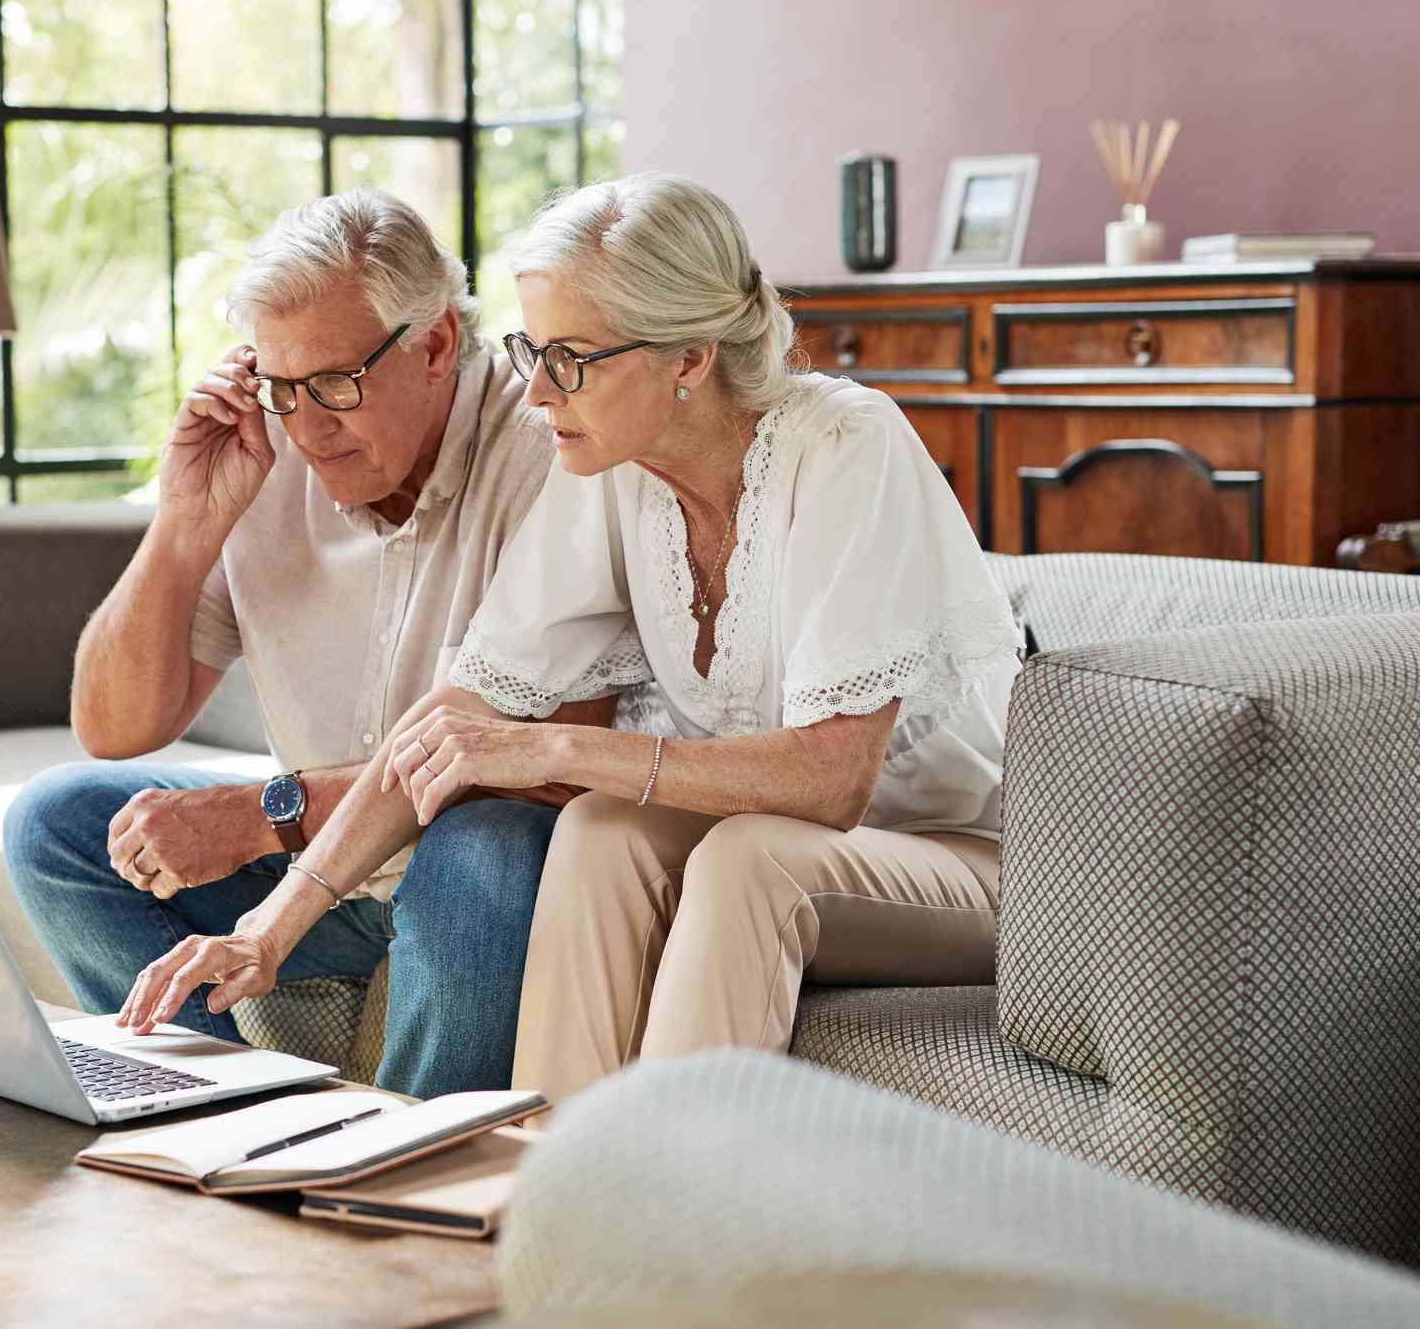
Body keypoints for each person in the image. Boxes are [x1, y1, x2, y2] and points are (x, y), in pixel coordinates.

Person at [116, 173, 1022, 1108]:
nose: (537, 390)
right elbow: (457, 717)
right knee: (599, 827)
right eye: (530, 350)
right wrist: (269, 927)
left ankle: (668, 1218)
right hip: (788, 845)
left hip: (960, 862)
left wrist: (553, 746)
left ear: (688, 358)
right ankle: (538, 1187)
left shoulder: (846, 445)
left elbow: (834, 782)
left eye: (572, 358)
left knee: (745, 860)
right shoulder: (611, 469)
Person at [3, 188, 606, 1100]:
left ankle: (396, 1170)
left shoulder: (550, 446)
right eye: (282, 388)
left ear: (437, 344)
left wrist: (264, 815)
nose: (309, 428)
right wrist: (182, 523)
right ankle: (211, 1120)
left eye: (334, 383)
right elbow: (115, 728)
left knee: (488, 840)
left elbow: (548, 758)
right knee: (59, 823)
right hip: (326, 872)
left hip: (488, 880)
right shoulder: (270, 441)